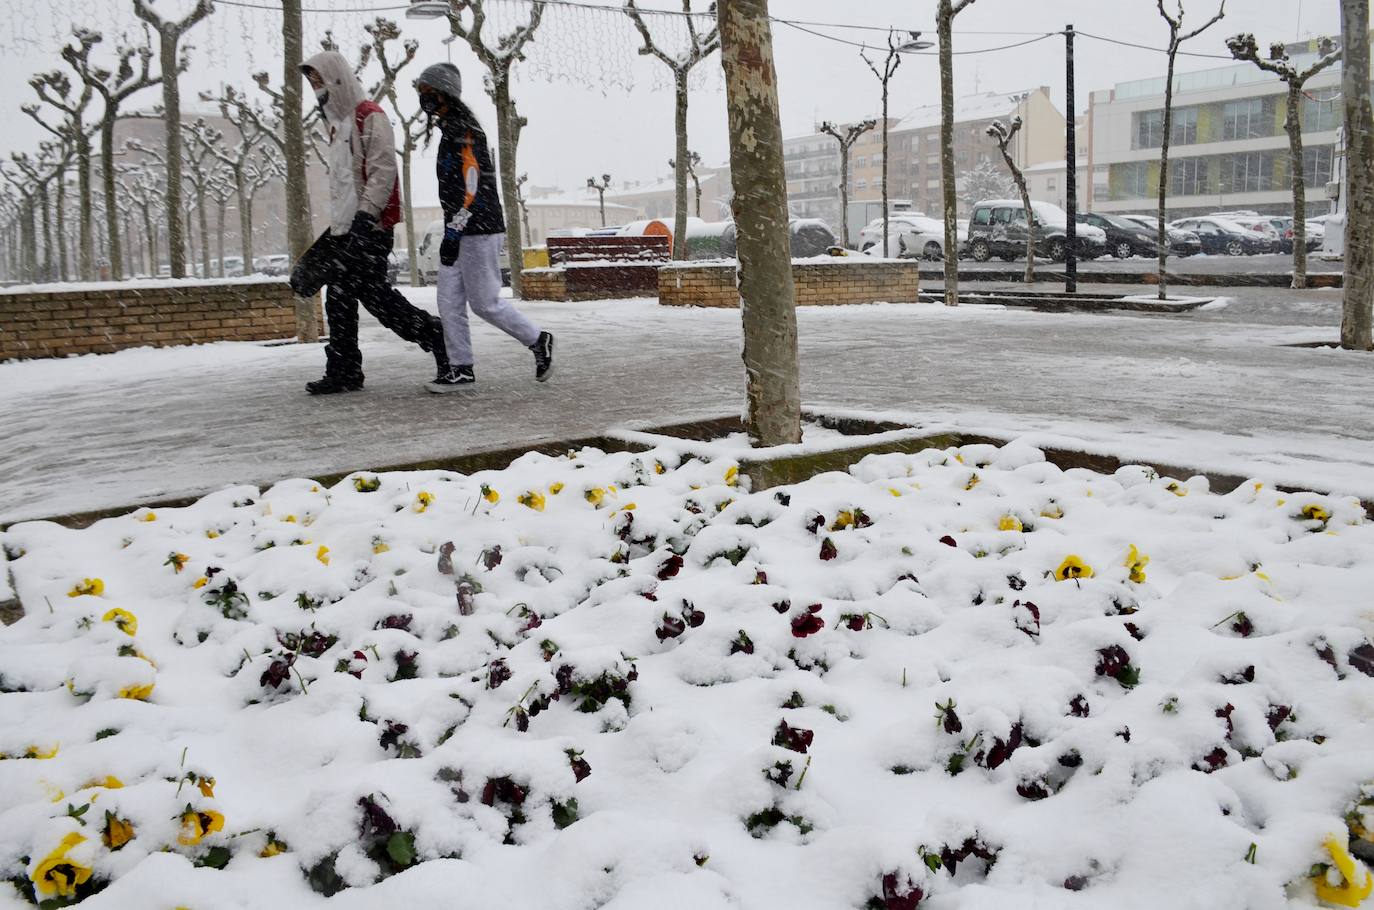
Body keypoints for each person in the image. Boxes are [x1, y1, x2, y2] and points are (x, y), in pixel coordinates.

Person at [293, 50, 449, 395]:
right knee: (343, 298)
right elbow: (344, 186)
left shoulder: (370, 117)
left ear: (336, 79)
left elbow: (381, 171)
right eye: (312, 82)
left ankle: (433, 335)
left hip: (369, 229)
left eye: (319, 80)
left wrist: (366, 218)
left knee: (373, 299)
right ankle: (347, 369)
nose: (316, 88)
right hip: (344, 230)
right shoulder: (337, 125)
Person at [413, 62, 553, 393]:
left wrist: (454, 231)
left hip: (478, 229)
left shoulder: (465, 132)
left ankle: (538, 340)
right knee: (448, 303)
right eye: (421, 94)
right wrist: (451, 230)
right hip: (459, 229)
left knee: (485, 303)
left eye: (428, 93)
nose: (424, 100)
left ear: (445, 94)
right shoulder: (449, 129)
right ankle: (460, 368)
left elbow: (471, 189)